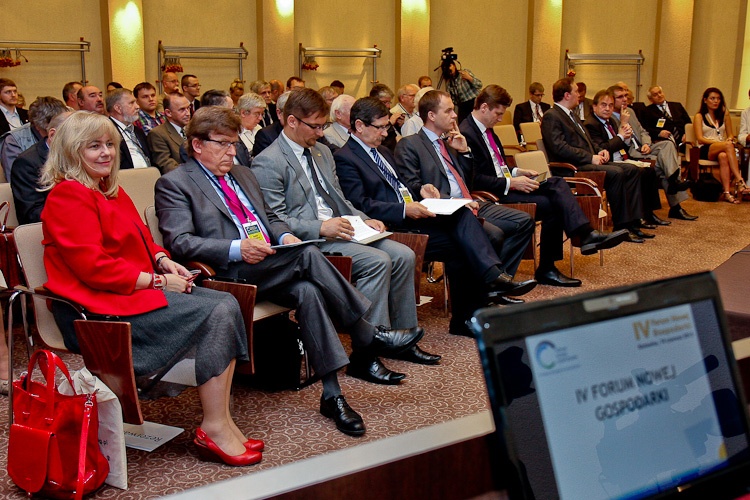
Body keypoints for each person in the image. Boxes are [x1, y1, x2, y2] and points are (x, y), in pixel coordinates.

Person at [155, 106, 422, 435]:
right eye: (222, 144)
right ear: (197, 144)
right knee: (308, 254)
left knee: (308, 290)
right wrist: (237, 248)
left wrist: (284, 236)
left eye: (234, 143)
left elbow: (270, 218)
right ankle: (366, 332)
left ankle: (333, 395)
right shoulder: (175, 183)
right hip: (227, 273)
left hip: (270, 262)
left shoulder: (243, 174)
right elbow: (180, 241)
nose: (232, 151)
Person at [39, 111, 261, 466]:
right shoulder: (68, 195)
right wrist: (158, 281)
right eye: (94, 146)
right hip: (94, 309)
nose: (106, 153)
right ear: (71, 150)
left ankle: (220, 421)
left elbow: (142, 238)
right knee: (218, 310)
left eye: (110, 144)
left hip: (129, 291)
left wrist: (161, 260)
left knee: (228, 302)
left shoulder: (108, 190)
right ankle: (215, 426)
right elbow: (94, 268)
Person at [253, 88, 435, 383]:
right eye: (315, 126)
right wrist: (320, 227)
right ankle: (366, 355)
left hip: (343, 228)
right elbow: (275, 220)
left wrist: (364, 219)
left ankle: (401, 341)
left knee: (404, 254)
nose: (320, 133)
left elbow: (339, 199)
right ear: (292, 121)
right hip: (311, 241)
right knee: (377, 261)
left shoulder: (322, 152)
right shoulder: (268, 161)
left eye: (323, 125)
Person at [335, 97, 532, 338]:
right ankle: (491, 279)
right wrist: (404, 209)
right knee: (466, 239)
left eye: (387, 127)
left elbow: (402, 185)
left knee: (463, 231)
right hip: (390, 224)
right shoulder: (346, 157)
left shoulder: (383, 151)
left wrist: (422, 189)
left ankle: (469, 314)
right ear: (359, 125)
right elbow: (360, 204)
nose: (386, 133)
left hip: (414, 214)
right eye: (380, 127)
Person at [461, 85, 629, 287]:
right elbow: (473, 180)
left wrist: (517, 172)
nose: (500, 118)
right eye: (498, 114)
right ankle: (563, 255)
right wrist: (512, 182)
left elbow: (498, 166)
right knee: (553, 206)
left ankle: (583, 236)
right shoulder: (467, 134)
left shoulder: (488, 131)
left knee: (557, 183)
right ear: (484, 107)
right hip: (492, 194)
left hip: (506, 184)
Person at [394, 89, 537, 284]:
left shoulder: (450, 142)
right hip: (447, 210)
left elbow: (468, 183)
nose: (454, 115)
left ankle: (499, 283)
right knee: (493, 234)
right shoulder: (410, 144)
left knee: (524, 221)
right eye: (448, 111)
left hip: (470, 201)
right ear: (432, 115)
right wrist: (452, 201)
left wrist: (465, 152)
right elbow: (413, 186)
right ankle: (492, 281)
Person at [542, 78, 648, 243]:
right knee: (616, 172)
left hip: (585, 162)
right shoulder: (552, 115)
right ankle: (622, 226)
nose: (580, 95)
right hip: (571, 167)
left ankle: (634, 223)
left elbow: (587, 141)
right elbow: (559, 148)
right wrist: (590, 157)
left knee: (631, 170)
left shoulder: (572, 115)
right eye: (576, 91)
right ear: (567, 95)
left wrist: (599, 151)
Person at [610, 84, 696, 221]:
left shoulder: (630, 111)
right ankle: (674, 203)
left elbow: (643, 131)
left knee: (667, 144)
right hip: (629, 152)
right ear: (612, 100)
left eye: (626, 96)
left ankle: (674, 181)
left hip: (643, 147)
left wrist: (646, 143)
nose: (625, 99)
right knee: (661, 167)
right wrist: (623, 122)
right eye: (620, 97)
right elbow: (619, 140)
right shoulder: (610, 116)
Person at [584, 89, 665, 231]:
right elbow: (603, 148)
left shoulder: (611, 122)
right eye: (603, 105)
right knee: (636, 171)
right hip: (608, 162)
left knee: (649, 170)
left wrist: (626, 137)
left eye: (610, 105)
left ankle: (647, 214)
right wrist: (621, 136)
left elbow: (622, 146)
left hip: (621, 157)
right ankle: (634, 220)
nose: (608, 109)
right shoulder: (591, 124)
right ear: (594, 107)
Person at [12, 109, 72, 224]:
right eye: (75, 137)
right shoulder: (27, 163)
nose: (80, 143)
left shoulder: (81, 156)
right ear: (53, 135)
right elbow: (32, 214)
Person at [693, 87, 748, 204]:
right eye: (712, 98)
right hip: (706, 148)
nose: (716, 101)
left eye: (718, 99)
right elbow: (700, 139)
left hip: (722, 147)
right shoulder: (699, 116)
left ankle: (726, 193)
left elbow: (731, 134)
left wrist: (729, 139)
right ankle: (739, 180)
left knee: (723, 156)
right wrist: (720, 143)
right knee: (728, 146)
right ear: (705, 100)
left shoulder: (724, 114)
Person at [147, 93, 191, 173]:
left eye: (188, 108)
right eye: (182, 110)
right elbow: (166, 164)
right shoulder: (157, 134)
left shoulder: (193, 129)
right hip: (180, 177)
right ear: (168, 113)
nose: (188, 113)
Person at [234, 92, 266, 166]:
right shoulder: (234, 133)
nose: (260, 118)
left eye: (262, 114)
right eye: (257, 114)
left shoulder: (259, 128)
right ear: (243, 113)